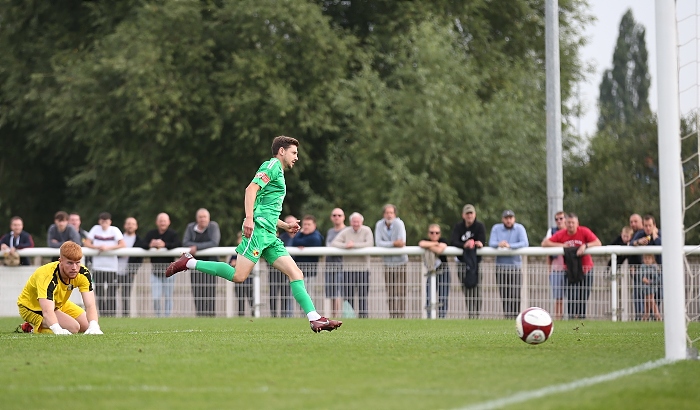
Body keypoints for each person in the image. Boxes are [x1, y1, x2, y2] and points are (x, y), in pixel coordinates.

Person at [165, 136, 341, 332]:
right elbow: (251, 190)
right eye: (294, 152)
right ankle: (189, 262)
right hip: (257, 231)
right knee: (239, 276)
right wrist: (249, 218)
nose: (297, 157)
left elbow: (265, 209)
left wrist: (285, 226)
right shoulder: (272, 165)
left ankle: (314, 318)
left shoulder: (279, 172)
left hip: (269, 235)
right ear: (281, 151)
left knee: (295, 273)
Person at [16, 241, 103, 335]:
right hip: (32, 307)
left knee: (87, 325)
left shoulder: (83, 273)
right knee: (73, 328)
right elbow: (47, 311)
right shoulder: (47, 276)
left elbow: (90, 305)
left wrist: (94, 326)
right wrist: (57, 329)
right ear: (60, 261)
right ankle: (30, 328)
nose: (74, 268)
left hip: (58, 303)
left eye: (77, 263)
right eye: (69, 263)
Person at [542, 213, 601, 319]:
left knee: (583, 296)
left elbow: (597, 242)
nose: (570, 225)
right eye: (568, 223)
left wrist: (585, 246)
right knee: (571, 296)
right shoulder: (562, 234)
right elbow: (545, 243)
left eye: (573, 223)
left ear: (577, 223)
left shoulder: (584, 231)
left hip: (586, 269)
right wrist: (562, 245)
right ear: (566, 223)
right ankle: (571, 319)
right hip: (570, 270)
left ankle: (582, 318)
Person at [331, 212, 374, 318]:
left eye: (358, 221)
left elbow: (369, 244)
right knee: (348, 295)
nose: (356, 224)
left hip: (363, 269)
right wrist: (346, 246)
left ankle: (363, 317)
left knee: (363, 295)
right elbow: (334, 243)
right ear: (350, 222)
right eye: (354, 222)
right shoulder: (345, 232)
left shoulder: (367, 230)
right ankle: (350, 316)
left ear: (362, 222)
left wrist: (354, 245)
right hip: (348, 269)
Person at [488, 210, 529, 319]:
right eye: (506, 218)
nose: (508, 220)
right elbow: (491, 243)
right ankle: (508, 317)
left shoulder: (520, 228)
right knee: (505, 295)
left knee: (515, 294)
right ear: (503, 219)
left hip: (515, 267)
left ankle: (516, 317)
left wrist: (509, 246)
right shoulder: (496, 228)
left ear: (514, 219)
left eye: (510, 218)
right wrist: (499, 244)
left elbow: (525, 243)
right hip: (500, 267)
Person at [84, 212, 126, 317]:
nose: (104, 224)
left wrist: (107, 248)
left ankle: (111, 314)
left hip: (111, 267)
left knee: (111, 292)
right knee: (100, 292)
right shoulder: (95, 229)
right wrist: (97, 247)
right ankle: (102, 314)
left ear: (110, 222)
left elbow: (122, 244)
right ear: (99, 221)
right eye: (102, 221)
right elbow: (87, 243)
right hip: (97, 267)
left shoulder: (115, 230)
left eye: (106, 221)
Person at [141, 212, 181, 317]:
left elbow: (178, 244)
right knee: (156, 298)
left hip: (170, 272)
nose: (162, 223)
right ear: (157, 222)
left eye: (164, 221)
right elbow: (142, 244)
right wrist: (151, 245)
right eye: (160, 221)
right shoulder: (151, 234)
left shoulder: (173, 234)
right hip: (155, 272)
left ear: (168, 222)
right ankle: (158, 317)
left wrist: (165, 245)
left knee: (168, 297)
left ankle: (167, 318)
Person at [182, 208, 221, 317]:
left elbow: (214, 242)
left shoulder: (213, 226)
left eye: (204, 217)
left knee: (210, 292)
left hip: (211, 265)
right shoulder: (190, 227)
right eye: (200, 217)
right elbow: (185, 242)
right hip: (195, 265)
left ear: (208, 218)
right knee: (197, 292)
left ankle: (211, 316)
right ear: (196, 219)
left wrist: (197, 247)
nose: (202, 219)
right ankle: (200, 316)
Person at [450, 204, 486, 319]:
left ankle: (476, 315)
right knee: (467, 290)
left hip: (476, 264)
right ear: (463, 215)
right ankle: (471, 315)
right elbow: (454, 241)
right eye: (467, 213)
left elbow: (482, 240)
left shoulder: (479, 226)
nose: (469, 216)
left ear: (475, 215)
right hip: (462, 264)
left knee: (477, 290)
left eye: (471, 213)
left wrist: (478, 243)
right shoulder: (459, 227)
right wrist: (464, 245)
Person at [375, 204, 409, 319]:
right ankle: (392, 315)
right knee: (390, 291)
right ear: (383, 214)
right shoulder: (379, 225)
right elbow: (378, 243)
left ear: (395, 214)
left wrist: (390, 244)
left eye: (391, 213)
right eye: (387, 212)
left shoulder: (399, 223)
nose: (389, 215)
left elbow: (402, 241)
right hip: (387, 263)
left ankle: (401, 315)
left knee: (401, 291)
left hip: (401, 262)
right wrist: (393, 243)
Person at [629, 214, 662, 320]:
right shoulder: (640, 234)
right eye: (646, 225)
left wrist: (656, 237)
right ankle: (643, 317)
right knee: (642, 296)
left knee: (657, 296)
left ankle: (653, 316)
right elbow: (630, 245)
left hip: (658, 272)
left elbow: (664, 245)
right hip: (643, 273)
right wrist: (638, 242)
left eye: (650, 225)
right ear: (643, 226)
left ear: (654, 226)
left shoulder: (659, 234)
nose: (648, 228)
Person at [419, 224, 450, 318]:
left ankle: (442, 318)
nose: (434, 234)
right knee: (429, 296)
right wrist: (435, 244)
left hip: (443, 271)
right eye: (432, 233)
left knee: (443, 297)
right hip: (431, 272)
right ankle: (429, 317)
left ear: (440, 234)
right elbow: (421, 243)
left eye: (437, 233)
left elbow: (440, 250)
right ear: (428, 234)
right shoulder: (427, 240)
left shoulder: (443, 240)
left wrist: (429, 246)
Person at [269, 214, 297, 318]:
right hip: (276, 270)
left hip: (288, 270)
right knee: (273, 293)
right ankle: (274, 315)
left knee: (286, 294)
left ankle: (285, 315)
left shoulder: (300, 236)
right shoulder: (281, 237)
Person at [117, 217, 143, 317]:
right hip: (116, 270)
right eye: (128, 223)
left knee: (126, 295)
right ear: (124, 225)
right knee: (112, 293)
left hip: (129, 272)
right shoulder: (119, 238)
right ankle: (110, 315)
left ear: (136, 226)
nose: (130, 225)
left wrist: (134, 271)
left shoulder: (139, 240)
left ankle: (125, 315)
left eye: (132, 224)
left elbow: (139, 258)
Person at [543, 210, 567, 320]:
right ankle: (558, 318)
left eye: (561, 218)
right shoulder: (552, 231)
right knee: (558, 297)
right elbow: (546, 245)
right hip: (556, 268)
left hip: (569, 269)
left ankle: (574, 319)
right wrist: (562, 245)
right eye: (556, 219)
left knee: (574, 296)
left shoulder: (570, 231)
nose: (559, 221)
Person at [325, 208, 346, 318]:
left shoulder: (347, 231)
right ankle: (333, 315)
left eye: (339, 215)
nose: (336, 217)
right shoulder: (330, 231)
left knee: (339, 291)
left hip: (342, 265)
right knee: (331, 292)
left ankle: (339, 315)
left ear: (343, 217)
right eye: (334, 215)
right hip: (329, 265)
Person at [291, 215, 324, 279]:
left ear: (314, 226)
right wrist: (300, 232)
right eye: (304, 224)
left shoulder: (316, 236)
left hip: (309, 273)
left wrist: (300, 241)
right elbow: (294, 242)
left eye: (309, 224)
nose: (306, 226)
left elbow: (296, 242)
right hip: (298, 271)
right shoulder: (301, 234)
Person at [229, 232, 253, 317]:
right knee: (240, 299)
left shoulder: (251, 250)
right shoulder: (236, 252)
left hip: (249, 280)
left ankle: (254, 314)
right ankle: (241, 315)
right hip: (239, 281)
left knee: (251, 299)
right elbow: (231, 263)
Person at [639, 254, 662, 321]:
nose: (647, 260)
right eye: (645, 258)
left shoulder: (654, 267)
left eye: (649, 258)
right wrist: (643, 279)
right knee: (646, 301)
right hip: (644, 287)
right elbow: (640, 276)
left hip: (652, 287)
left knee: (651, 300)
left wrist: (649, 282)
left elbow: (657, 278)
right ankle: (646, 314)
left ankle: (657, 315)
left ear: (652, 260)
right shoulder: (642, 267)